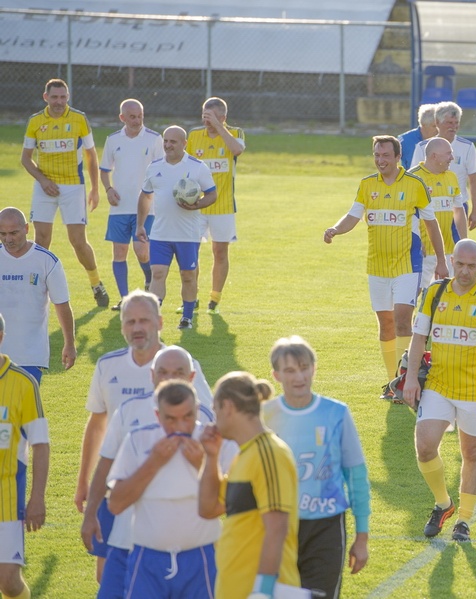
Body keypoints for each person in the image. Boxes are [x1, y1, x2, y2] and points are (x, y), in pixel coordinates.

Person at [402, 239, 476, 543]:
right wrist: (411, 378)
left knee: (471, 453)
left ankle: (463, 520)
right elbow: (418, 338)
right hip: (437, 384)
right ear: (452, 261)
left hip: (474, 388)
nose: (464, 271)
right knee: (425, 446)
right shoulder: (434, 292)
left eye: (471, 266)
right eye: (460, 264)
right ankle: (443, 504)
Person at [82, 344, 213, 599]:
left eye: (178, 372)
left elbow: (224, 499)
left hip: (192, 549)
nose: (169, 379)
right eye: (162, 372)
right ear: (151, 374)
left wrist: (201, 463)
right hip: (128, 543)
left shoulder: (208, 424)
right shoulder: (129, 414)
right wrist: (90, 513)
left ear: (192, 376)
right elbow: (107, 472)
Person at [324, 135, 447, 400]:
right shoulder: (367, 185)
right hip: (376, 266)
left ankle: (406, 382)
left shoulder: (415, 185)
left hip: (407, 264)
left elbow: (431, 223)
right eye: (377, 155)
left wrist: (441, 259)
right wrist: (335, 229)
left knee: (403, 320)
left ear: (397, 157)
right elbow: (353, 215)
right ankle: (393, 383)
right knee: (386, 323)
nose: (380, 161)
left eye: (385, 156)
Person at [263, 336, 371, 599]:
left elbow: (356, 474)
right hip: (276, 527)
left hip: (326, 527)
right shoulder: (265, 416)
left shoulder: (336, 413)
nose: (299, 376)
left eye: (304, 367)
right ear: (276, 375)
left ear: (314, 368)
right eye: (289, 370)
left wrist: (362, 536)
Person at [106, 380, 235, 599]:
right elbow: (116, 504)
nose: (180, 427)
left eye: (187, 417)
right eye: (171, 419)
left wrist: (202, 463)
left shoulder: (215, 441)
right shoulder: (138, 440)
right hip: (147, 559)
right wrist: (153, 462)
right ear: (158, 416)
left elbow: (230, 503)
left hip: (202, 557)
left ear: (197, 410)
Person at [198, 372, 301, 599]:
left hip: (259, 592)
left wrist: (263, 591)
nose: (213, 419)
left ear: (227, 407)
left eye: (215, 410)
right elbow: (208, 508)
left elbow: (277, 527)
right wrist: (211, 456)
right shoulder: (244, 456)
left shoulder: (269, 454)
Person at [20, 78, 109, 307]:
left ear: (68, 97)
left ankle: (96, 284)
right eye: (54, 97)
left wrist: (95, 189)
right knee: (41, 240)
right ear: (46, 97)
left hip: (72, 186)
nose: (59, 102)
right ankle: (36, 287)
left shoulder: (79, 119)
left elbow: (91, 154)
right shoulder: (35, 122)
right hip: (44, 187)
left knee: (78, 241)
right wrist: (43, 180)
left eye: (63, 97)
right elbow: (25, 159)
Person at [136, 126, 217, 330]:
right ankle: (153, 319)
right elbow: (145, 196)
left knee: (188, 275)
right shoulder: (154, 167)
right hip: (160, 233)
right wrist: (140, 225)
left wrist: (196, 205)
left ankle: (187, 317)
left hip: (188, 234)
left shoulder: (198, 167)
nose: (168, 145)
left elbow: (212, 194)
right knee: (158, 274)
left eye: (173, 141)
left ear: (184, 144)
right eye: (166, 141)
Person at [0, 314, 48, 599]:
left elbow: (40, 444)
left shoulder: (23, 383)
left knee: (8, 580)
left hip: (7, 493)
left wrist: (37, 497)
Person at [100, 99, 164, 310]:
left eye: (140, 116)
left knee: (142, 251)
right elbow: (104, 169)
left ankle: (148, 280)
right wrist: (108, 190)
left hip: (146, 207)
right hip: (119, 207)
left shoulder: (155, 139)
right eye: (132, 117)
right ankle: (125, 299)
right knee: (119, 252)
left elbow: (162, 170)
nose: (137, 121)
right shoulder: (113, 140)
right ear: (122, 118)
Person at [0, 207, 75, 383]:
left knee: (24, 409)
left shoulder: (47, 261)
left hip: (30, 355)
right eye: (2, 234)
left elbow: (62, 304)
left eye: (13, 233)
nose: (8, 239)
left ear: (26, 229)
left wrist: (70, 344)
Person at [186, 97, 245, 315]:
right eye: (204, 115)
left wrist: (219, 128)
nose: (206, 120)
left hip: (223, 206)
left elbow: (237, 150)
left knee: (220, 252)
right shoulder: (193, 136)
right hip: (197, 206)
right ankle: (191, 298)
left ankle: (214, 299)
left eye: (211, 116)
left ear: (223, 118)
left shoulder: (235, 133)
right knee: (190, 251)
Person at [410, 101, 476, 230]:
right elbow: (413, 178)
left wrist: (475, 211)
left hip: (457, 206)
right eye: (449, 123)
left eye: (456, 123)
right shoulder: (422, 147)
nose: (453, 127)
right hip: (428, 206)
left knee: (458, 247)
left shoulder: (468, 147)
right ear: (437, 122)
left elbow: (474, 180)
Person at [408, 137, 468, 287]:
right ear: (434, 156)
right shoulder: (413, 178)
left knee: (444, 295)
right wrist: (413, 242)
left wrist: (464, 243)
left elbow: (459, 212)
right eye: (448, 154)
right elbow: (405, 215)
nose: (452, 158)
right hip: (422, 251)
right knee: (415, 293)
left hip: (449, 250)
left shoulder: (451, 177)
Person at [398, 104, 438, 171]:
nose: (438, 129)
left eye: (439, 125)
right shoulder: (403, 141)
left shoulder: (443, 140)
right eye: (434, 126)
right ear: (423, 125)